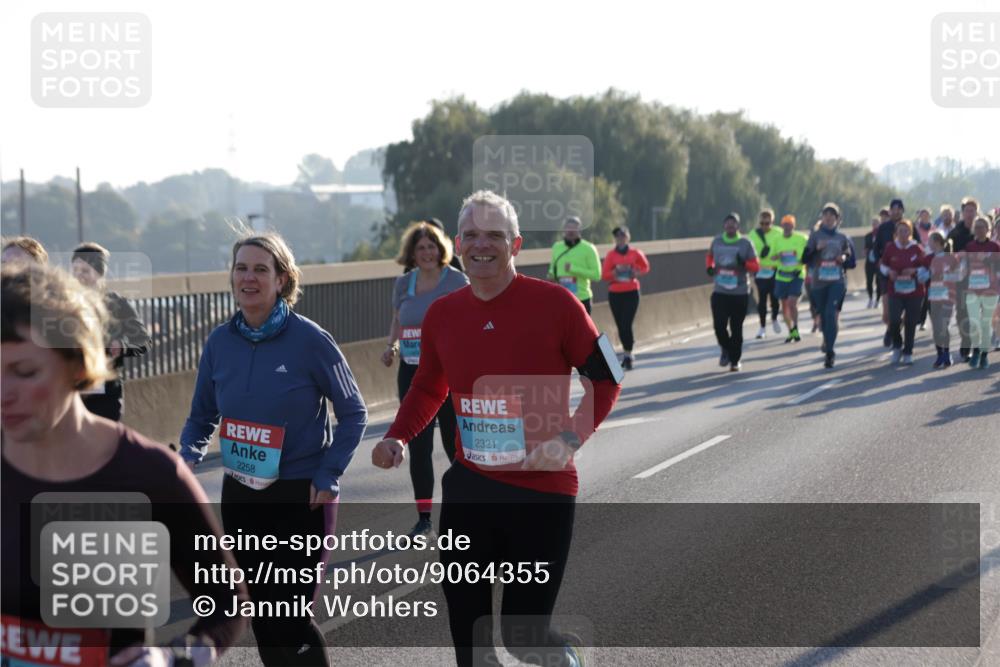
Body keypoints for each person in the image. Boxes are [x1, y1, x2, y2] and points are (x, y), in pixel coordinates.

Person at [371, 190, 621, 667]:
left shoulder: (559, 304)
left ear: (517, 244)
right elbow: (427, 387)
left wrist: (569, 438)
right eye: (470, 235)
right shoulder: (443, 313)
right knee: (471, 640)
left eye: (494, 235)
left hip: (541, 493)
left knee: (523, 637)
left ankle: (566, 657)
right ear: (458, 243)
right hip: (471, 487)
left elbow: (606, 379)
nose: (481, 245)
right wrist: (397, 436)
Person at [2, 263, 247, 667]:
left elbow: (227, 601)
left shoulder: (147, 474)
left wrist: (177, 658)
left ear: (78, 364)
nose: (3, 393)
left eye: (24, 372)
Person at [180, 232, 368, 666]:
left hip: (302, 493)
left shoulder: (310, 340)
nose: (249, 277)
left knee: (289, 615)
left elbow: (354, 412)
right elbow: (201, 415)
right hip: (243, 494)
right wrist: (188, 453)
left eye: (260, 269)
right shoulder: (219, 342)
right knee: (262, 615)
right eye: (241, 268)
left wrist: (329, 474)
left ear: (282, 279)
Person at [382, 221, 468, 536]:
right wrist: (391, 346)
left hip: (447, 372)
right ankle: (424, 519)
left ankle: (465, 509)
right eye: (420, 248)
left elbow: (472, 317)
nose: (427, 252)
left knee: (453, 442)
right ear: (412, 254)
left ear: (440, 249)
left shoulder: (457, 280)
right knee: (418, 446)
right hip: (411, 370)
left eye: (431, 246)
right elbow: (397, 320)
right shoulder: (403, 284)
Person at [70, 243, 151, 422]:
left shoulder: (117, 304)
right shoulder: (63, 304)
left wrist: (122, 346)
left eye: (85, 271)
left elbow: (143, 341)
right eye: (75, 270)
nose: (78, 276)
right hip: (71, 394)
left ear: (99, 274)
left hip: (105, 396)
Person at [803, 203, 857, 369]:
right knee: (823, 318)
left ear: (837, 219)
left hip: (837, 281)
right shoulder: (815, 236)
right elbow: (804, 259)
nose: (828, 218)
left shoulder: (842, 238)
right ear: (822, 218)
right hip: (818, 282)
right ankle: (827, 340)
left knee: (830, 313)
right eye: (826, 215)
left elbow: (851, 261)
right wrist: (815, 249)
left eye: (832, 215)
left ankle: (830, 352)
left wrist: (843, 258)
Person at [706, 213, 760, 372]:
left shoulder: (745, 243)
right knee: (719, 326)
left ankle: (735, 360)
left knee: (736, 327)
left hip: (740, 293)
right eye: (728, 223)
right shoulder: (717, 241)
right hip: (720, 291)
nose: (730, 226)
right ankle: (726, 348)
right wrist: (710, 267)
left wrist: (743, 263)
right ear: (724, 226)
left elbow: (755, 266)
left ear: (738, 226)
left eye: (733, 223)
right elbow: (710, 257)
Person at [601, 225, 650, 369]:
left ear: (628, 237)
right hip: (615, 292)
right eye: (618, 237)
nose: (620, 239)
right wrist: (615, 273)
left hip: (631, 291)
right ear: (615, 239)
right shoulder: (611, 255)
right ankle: (626, 352)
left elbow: (646, 267)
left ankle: (628, 354)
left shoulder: (635, 253)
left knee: (626, 323)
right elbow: (604, 275)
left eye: (623, 236)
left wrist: (636, 272)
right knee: (620, 325)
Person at [879, 219, 926, 365]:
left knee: (911, 322)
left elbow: (926, 267)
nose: (903, 234)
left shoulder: (917, 248)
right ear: (895, 234)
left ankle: (908, 351)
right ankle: (898, 345)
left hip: (915, 291)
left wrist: (914, 270)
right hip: (895, 290)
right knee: (893, 320)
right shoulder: (890, 248)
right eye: (900, 231)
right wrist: (889, 272)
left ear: (910, 233)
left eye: (906, 231)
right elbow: (882, 265)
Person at [958, 216, 1000, 369]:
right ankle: (975, 351)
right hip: (973, 289)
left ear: (988, 229)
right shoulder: (969, 246)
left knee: (985, 324)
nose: (979, 230)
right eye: (977, 227)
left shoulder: (995, 247)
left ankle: (983, 355)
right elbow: (963, 268)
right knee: (974, 323)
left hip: (991, 290)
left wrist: (989, 262)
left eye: (982, 227)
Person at [547, 216, 601, 314]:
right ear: (564, 229)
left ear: (579, 230)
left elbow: (596, 275)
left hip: (582, 299)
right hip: (562, 298)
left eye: (574, 228)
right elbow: (552, 269)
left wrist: (573, 269)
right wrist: (551, 276)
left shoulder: (589, 248)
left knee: (581, 329)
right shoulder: (557, 247)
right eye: (568, 228)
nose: (571, 231)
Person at [948, 197, 979, 361]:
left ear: (976, 212)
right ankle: (965, 341)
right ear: (963, 212)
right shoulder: (955, 232)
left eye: (972, 210)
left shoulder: (982, 230)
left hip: (980, 279)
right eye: (967, 210)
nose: (969, 213)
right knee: (961, 313)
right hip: (961, 278)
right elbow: (946, 253)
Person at [923, 231, 959, 368]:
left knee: (944, 325)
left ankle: (947, 353)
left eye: (930, 241)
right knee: (936, 327)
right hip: (934, 296)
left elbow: (958, 277)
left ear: (936, 242)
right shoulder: (929, 258)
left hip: (948, 296)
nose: (928, 243)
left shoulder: (951, 258)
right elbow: (923, 276)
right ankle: (939, 354)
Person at [771, 214, 808, 343]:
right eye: (785, 225)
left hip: (797, 275)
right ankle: (791, 330)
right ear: (782, 226)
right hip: (782, 276)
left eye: (790, 225)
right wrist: (777, 257)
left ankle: (796, 328)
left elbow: (807, 254)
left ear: (793, 226)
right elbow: (771, 257)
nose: (787, 227)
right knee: (784, 306)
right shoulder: (776, 239)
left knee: (792, 303)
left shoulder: (802, 238)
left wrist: (800, 258)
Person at [874, 199, 906, 345]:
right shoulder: (883, 228)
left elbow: (918, 247)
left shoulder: (908, 226)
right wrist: (879, 261)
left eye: (899, 209)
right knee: (887, 310)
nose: (896, 211)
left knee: (902, 307)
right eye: (893, 209)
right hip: (886, 273)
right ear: (890, 211)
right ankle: (889, 329)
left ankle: (895, 330)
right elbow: (875, 250)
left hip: (905, 274)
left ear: (902, 211)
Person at [748, 209, 783, 339]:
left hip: (774, 270)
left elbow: (784, 248)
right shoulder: (753, 234)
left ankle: (774, 318)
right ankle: (762, 327)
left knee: (774, 298)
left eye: (767, 223)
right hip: (760, 271)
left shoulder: (779, 233)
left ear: (772, 222)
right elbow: (749, 251)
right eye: (762, 223)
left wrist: (778, 257)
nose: (764, 226)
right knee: (762, 299)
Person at [863, 218, 882, 308]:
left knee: (879, 281)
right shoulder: (868, 236)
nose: (875, 225)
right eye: (873, 223)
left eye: (876, 223)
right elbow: (865, 247)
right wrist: (866, 251)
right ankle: (870, 298)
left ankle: (878, 300)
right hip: (869, 261)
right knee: (869, 281)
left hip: (878, 261)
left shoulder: (882, 235)